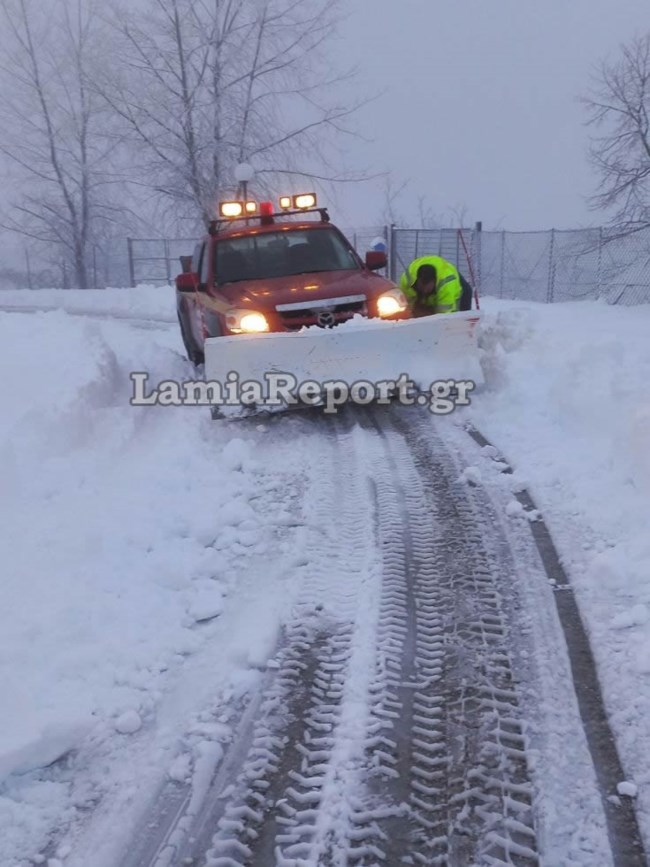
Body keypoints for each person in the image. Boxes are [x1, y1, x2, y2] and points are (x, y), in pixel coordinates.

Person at [399, 255, 473, 316]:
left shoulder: (446, 285)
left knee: (460, 319)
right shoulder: (406, 280)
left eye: (427, 288)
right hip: (433, 268)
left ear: (435, 282)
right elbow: (406, 306)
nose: (424, 291)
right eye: (422, 287)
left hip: (456, 283)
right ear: (417, 280)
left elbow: (444, 316)